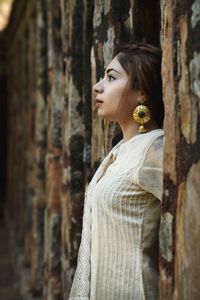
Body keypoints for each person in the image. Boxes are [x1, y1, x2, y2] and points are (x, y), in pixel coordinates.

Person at [69, 42, 165, 300]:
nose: (98, 86)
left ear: (141, 91)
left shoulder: (154, 148)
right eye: (102, 77)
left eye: (111, 78)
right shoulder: (120, 151)